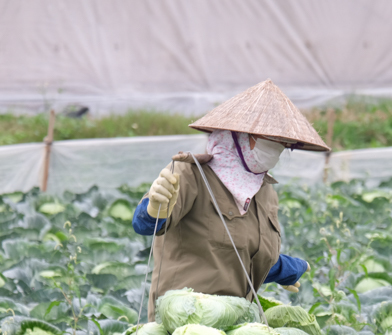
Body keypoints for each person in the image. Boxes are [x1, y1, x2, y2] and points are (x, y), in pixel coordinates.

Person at [132, 80, 330, 319]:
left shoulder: (265, 192)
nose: (276, 149)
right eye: (268, 139)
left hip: (236, 326)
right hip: (184, 323)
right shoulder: (190, 174)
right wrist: (153, 207)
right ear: (237, 136)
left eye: (282, 145)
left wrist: (283, 269)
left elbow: (239, 258)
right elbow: (145, 226)